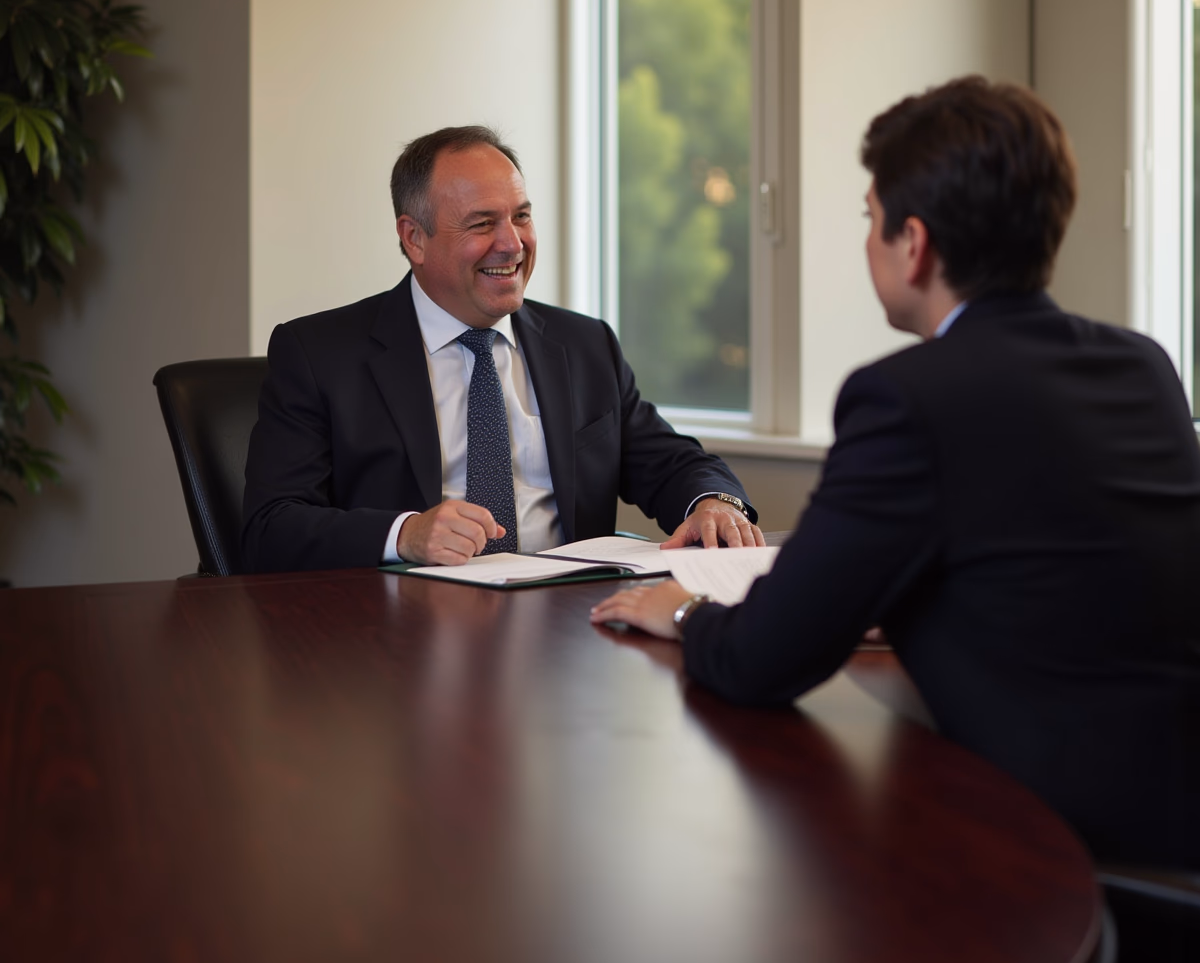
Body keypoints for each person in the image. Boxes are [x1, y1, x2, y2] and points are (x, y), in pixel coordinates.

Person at [591, 76, 1200, 870]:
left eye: (871, 220)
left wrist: (679, 610)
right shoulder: (1140, 365)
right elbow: (1053, 575)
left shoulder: (909, 397)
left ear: (914, 244)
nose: (869, 240)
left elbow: (763, 660)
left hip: (1055, 853)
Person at [242, 125, 762, 572]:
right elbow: (270, 528)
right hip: (400, 639)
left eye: (522, 216)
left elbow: (668, 461)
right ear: (414, 238)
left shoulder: (584, 345)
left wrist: (712, 502)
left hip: (566, 632)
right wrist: (405, 535)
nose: (513, 243)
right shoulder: (319, 354)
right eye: (483, 223)